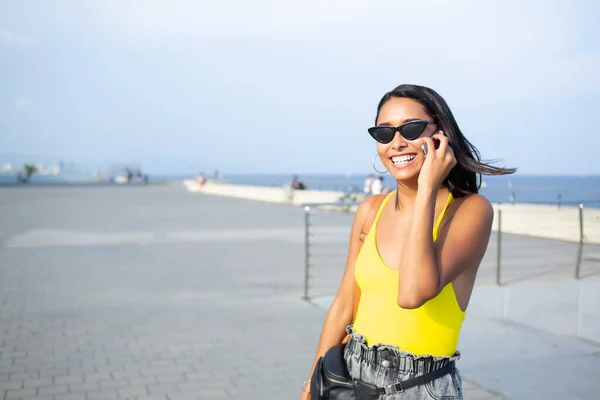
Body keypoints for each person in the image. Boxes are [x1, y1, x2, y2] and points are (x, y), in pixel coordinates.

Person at [300, 84, 515, 399]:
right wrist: (310, 387)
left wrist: (427, 186)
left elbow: (413, 293)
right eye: (384, 133)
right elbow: (345, 305)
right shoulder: (371, 210)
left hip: (418, 388)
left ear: (441, 136)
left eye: (411, 129)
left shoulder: (470, 211)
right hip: (347, 381)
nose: (397, 143)